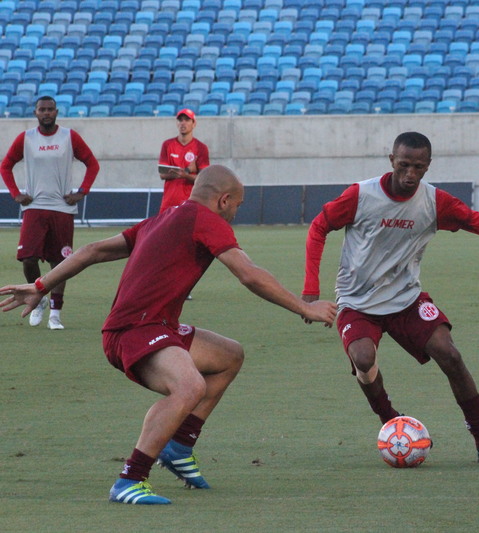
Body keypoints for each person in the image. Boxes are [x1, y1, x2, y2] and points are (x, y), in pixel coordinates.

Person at [0, 165, 338, 504]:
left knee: (229, 356)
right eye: (238, 204)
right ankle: (130, 479)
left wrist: (41, 285)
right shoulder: (206, 221)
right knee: (189, 386)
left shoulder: (164, 218)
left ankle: (179, 446)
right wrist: (304, 307)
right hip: (133, 331)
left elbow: (92, 251)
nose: (237, 211)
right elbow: (249, 274)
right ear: (224, 200)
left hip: (157, 327)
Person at [301, 132, 479, 465]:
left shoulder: (434, 202)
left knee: (450, 354)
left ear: (428, 166)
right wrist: (310, 289)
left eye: (418, 166)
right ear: (391, 161)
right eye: (403, 165)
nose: (410, 174)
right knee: (363, 359)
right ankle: (392, 423)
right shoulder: (360, 195)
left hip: (406, 299)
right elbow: (318, 227)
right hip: (358, 302)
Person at [0, 95, 100, 330]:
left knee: (60, 262)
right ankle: (38, 300)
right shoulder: (26, 138)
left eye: (50, 109)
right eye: (42, 109)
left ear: (56, 112)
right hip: (34, 207)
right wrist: (16, 193)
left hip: (62, 208)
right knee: (27, 259)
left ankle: (55, 314)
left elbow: (92, 163)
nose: (46, 113)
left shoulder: (69, 136)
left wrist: (81, 192)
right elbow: (5, 165)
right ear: (35, 113)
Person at [158, 108, 209, 213]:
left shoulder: (201, 148)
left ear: (194, 123)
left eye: (187, 120)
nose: (183, 123)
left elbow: (204, 179)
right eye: (180, 120)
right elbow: (162, 174)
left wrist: (185, 175)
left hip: (191, 203)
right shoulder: (167, 145)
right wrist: (186, 170)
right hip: (169, 203)